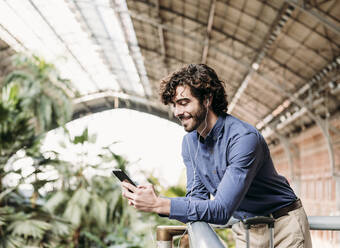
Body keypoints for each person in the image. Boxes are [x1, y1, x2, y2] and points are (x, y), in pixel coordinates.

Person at [121, 64, 312, 247]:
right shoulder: (189, 143)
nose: (177, 112)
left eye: (184, 103)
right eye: (174, 105)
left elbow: (221, 210)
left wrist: (158, 204)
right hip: (246, 229)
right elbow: (197, 197)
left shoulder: (244, 138)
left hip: (283, 225)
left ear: (207, 99)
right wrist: (155, 199)